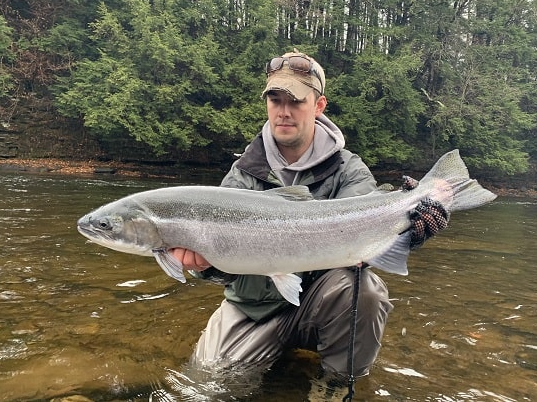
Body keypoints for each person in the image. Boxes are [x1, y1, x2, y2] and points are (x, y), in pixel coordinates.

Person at [167, 50, 448, 399]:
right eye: (275, 99)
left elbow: (367, 228)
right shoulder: (243, 173)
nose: (283, 111)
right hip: (254, 307)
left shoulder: (348, 170)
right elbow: (229, 269)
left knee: (366, 290)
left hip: (322, 302)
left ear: (318, 106)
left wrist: (410, 226)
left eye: (295, 101)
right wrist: (206, 265)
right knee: (202, 390)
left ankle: (335, 383)